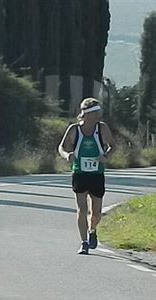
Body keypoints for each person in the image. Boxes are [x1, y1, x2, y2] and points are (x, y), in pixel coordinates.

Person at [58, 97, 117, 255]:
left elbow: (113, 145)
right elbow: (61, 147)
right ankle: (84, 242)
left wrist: (106, 156)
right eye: (95, 112)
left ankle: (92, 231)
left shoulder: (102, 128)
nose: (99, 115)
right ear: (87, 114)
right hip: (79, 173)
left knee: (96, 213)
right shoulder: (74, 130)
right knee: (81, 210)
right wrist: (67, 155)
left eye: (99, 112)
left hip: (97, 174)